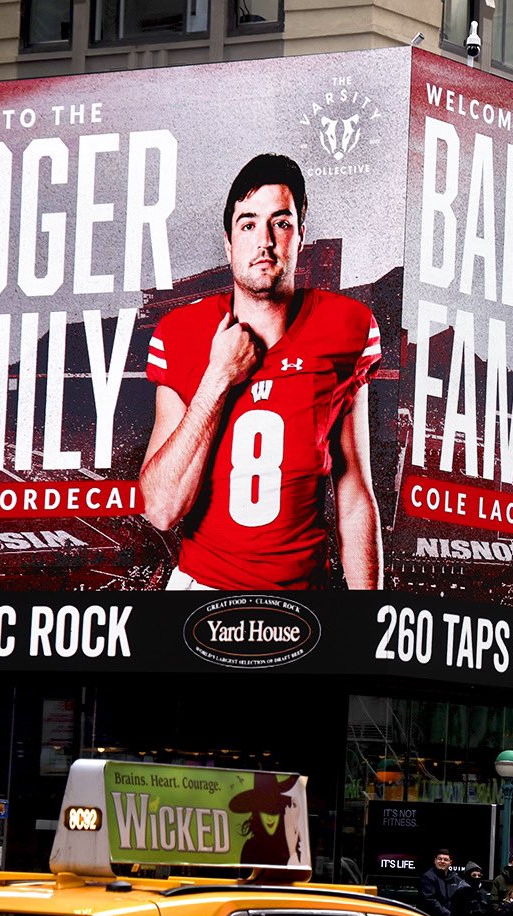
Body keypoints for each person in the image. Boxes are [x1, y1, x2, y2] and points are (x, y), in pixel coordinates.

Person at [140, 153, 383, 590]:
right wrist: (217, 377)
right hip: (203, 589)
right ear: (229, 242)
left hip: (303, 597)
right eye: (248, 224)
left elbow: (354, 494)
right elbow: (160, 509)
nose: (264, 241)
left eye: (281, 223)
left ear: (301, 236)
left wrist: (368, 622)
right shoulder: (181, 333)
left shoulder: (346, 327)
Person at [228, 772, 301, 866]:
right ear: (257, 814)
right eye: (264, 811)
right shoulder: (250, 847)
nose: (269, 818)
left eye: (273, 811)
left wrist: (292, 851)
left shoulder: (292, 844)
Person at [418, 848, 459, 916]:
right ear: (435, 861)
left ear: (450, 862)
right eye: (439, 859)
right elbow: (430, 901)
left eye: (445, 860)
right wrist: (449, 914)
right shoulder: (428, 877)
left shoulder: (456, 879)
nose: (442, 861)